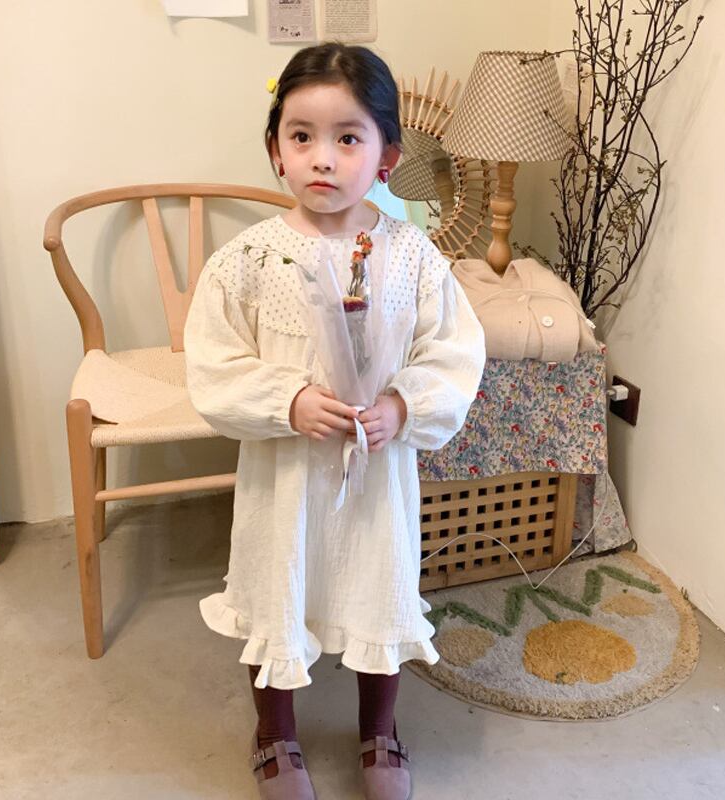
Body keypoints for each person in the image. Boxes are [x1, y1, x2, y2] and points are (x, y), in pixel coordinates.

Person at [184, 41, 485, 800]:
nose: (323, 157)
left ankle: (379, 730)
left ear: (386, 156)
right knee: (276, 589)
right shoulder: (248, 261)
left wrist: (401, 405)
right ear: (276, 150)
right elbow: (213, 365)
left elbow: (454, 352)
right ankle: (274, 734)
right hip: (283, 480)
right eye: (302, 136)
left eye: (348, 137)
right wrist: (284, 401)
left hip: (377, 478)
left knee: (380, 588)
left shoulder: (414, 257)